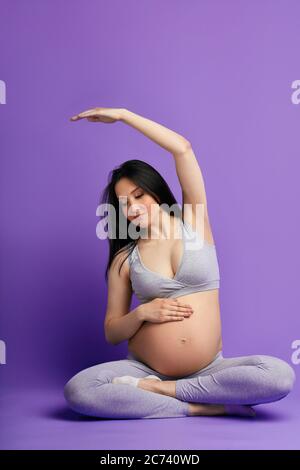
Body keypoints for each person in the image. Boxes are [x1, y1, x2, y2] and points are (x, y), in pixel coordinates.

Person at [63, 107, 295, 419]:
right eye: (124, 203)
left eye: (139, 194)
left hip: (209, 369)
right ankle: (196, 407)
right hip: (144, 368)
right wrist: (144, 312)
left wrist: (122, 115)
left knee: (278, 375)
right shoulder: (124, 258)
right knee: (79, 390)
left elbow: (182, 148)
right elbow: (112, 332)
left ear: (155, 193)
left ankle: (163, 392)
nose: (132, 207)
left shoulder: (195, 224)